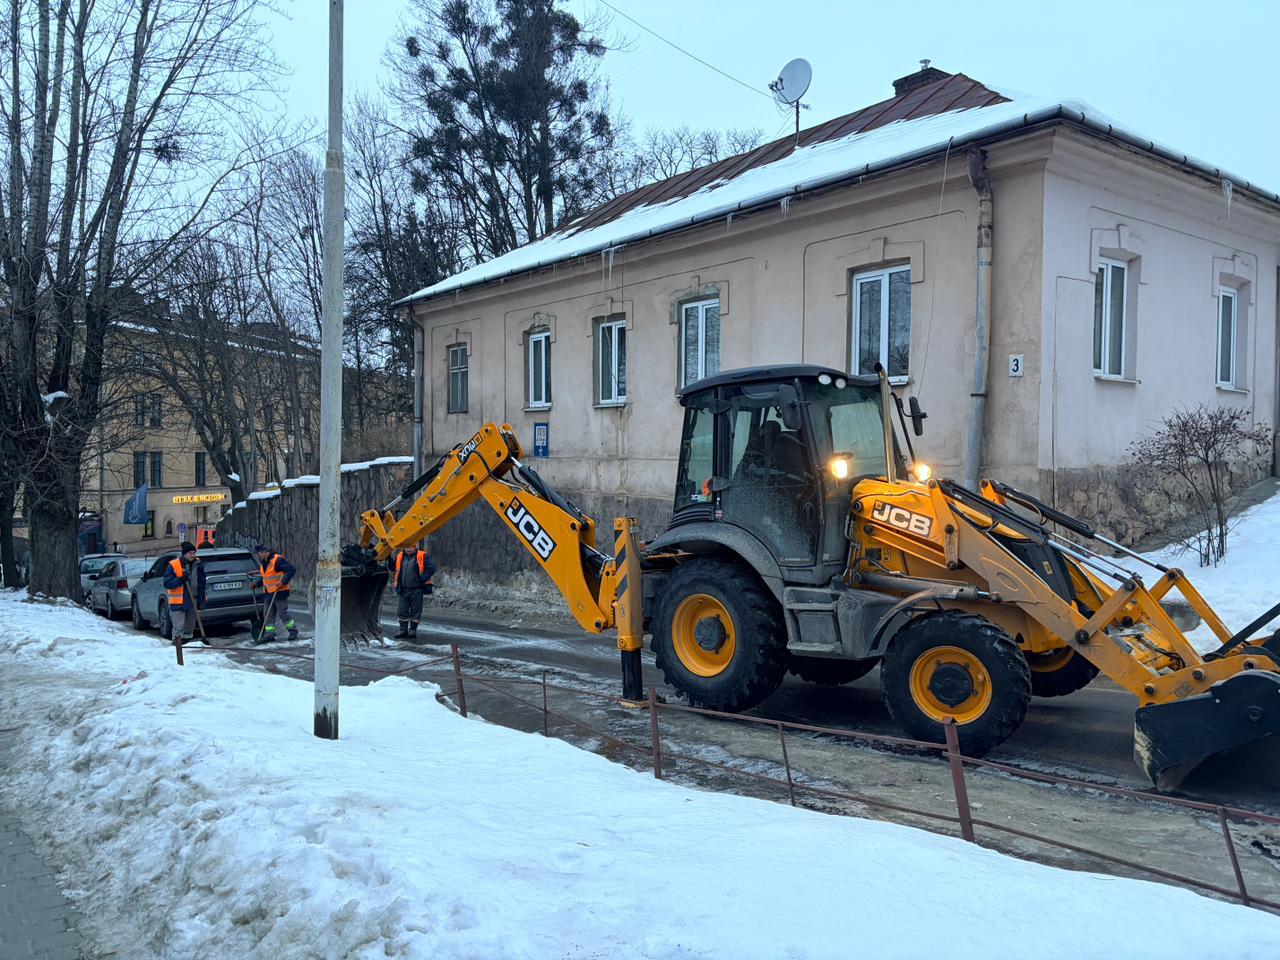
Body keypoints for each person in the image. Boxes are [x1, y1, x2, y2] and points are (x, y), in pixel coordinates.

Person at [163, 541, 206, 644]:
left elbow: (202, 581)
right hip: (178, 601)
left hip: (193, 599)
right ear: (184, 554)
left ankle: (187, 643)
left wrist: (202, 596)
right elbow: (167, 583)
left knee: (190, 626)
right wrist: (180, 579)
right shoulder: (174, 565)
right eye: (189, 553)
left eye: (193, 553)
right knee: (178, 626)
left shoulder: (198, 564)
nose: (192, 555)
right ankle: (177, 646)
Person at [253, 544, 298, 642]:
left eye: (259, 553)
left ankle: (293, 630)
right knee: (267, 614)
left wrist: (282, 582)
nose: (258, 556)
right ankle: (270, 634)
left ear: (265, 552)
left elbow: (291, 569)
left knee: (282, 612)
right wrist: (257, 584)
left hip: (279, 591)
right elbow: (266, 578)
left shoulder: (277, 560)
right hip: (268, 593)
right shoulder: (264, 563)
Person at [391, 542, 435, 639]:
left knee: (416, 610)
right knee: (402, 610)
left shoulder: (422, 556)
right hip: (403, 589)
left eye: (410, 547)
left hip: (417, 589)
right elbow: (393, 568)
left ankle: (412, 630)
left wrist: (421, 578)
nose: (408, 549)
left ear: (415, 547)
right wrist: (388, 558)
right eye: (406, 547)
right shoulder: (400, 556)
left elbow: (431, 568)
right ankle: (403, 630)